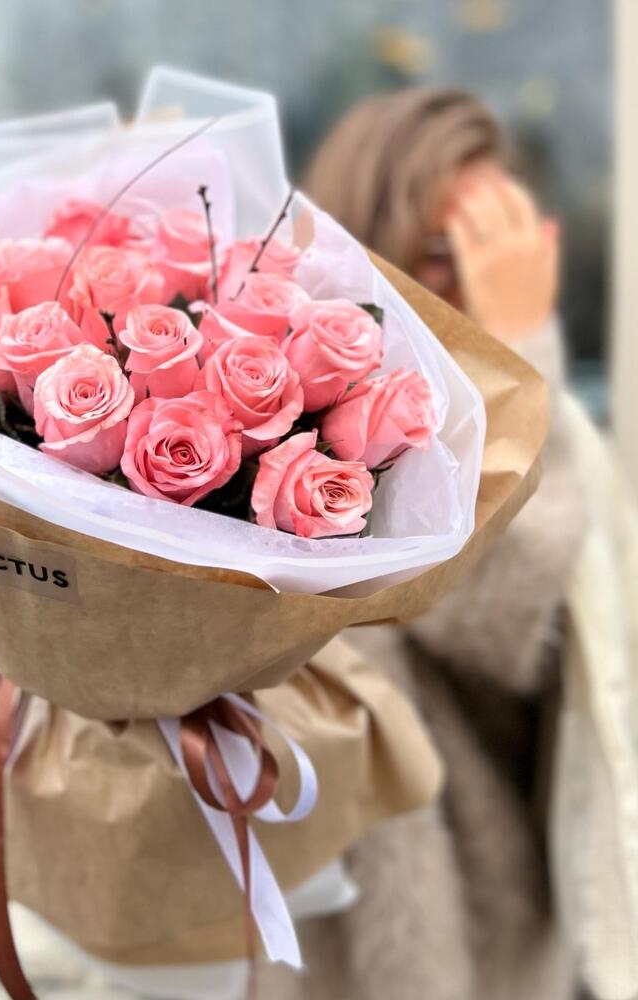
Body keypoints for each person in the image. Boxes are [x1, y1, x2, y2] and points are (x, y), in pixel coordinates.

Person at [259, 88, 601, 1000]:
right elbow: (483, 600)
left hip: (496, 927)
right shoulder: (284, 421)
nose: (490, 280)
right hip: (329, 934)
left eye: (507, 244)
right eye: (451, 248)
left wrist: (521, 364)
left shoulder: (544, 428)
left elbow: (519, 627)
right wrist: (521, 360)